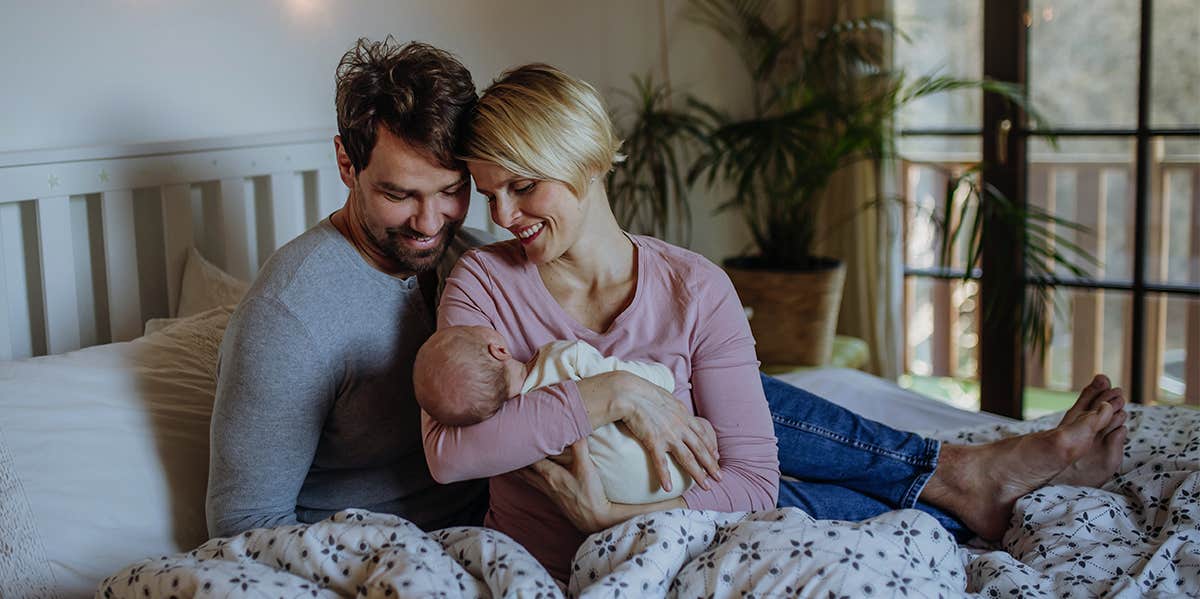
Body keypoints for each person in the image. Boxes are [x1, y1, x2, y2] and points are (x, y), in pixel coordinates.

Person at [421, 63, 1129, 581]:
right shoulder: (482, 281)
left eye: (523, 185)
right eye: (490, 194)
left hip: (687, 534)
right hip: (549, 559)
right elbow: (451, 453)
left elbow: (752, 484)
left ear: (585, 161)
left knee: (782, 481)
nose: (504, 216)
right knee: (772, 467)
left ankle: (973, 489)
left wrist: (622, 518)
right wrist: (616, 394)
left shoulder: (695, 288)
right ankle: (970, 480)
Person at [204, 38, 500, 537]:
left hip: (495, 543)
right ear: (346, 163)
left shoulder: (478, 260)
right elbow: (242, 525)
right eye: (399, 194)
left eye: (452, 191)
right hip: (367, 564)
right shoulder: (286, 315)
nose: (430, 222)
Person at [412, 325, 692, 503]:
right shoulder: (562, 357)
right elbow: (633, 379)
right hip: (676, 472)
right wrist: (666, 377)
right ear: (498, 349)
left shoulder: (521, 439)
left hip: (626, 499)